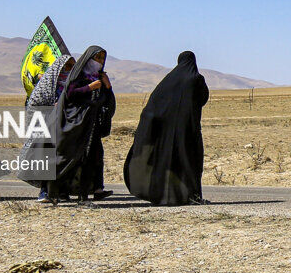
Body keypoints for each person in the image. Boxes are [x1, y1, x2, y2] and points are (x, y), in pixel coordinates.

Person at [20, 46, 115, 204]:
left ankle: (84, 196)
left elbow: (107, 101)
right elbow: (70, 94)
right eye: (97, 58)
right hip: (69, 125)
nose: (100, 62)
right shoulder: (77, 76)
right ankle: (50, 192)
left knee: (89, 160)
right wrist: (89, 88)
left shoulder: (99, 78)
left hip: (90, 126)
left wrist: (108, 86)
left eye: (102, 59)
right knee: (62, 158)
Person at [124, 50, 209, 206]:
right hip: (188, 130)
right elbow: (203, 98)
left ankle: (162, 195)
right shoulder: (196, 79)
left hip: (165, 132)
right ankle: (192, 196)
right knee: (189, 161)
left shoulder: (168, 81)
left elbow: (154, 105)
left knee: (166, 160)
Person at [21, 52, 73, 204]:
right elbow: (34, 105)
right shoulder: (46, 86)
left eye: (72, 67)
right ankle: (44, 191)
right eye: (67, 66)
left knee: (64, 159)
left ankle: (62, 192)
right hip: (46, 127)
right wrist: (53, 108)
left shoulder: (72, 86)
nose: (69, 70)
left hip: (66, 127)